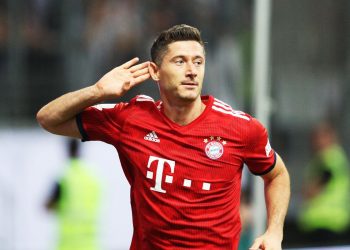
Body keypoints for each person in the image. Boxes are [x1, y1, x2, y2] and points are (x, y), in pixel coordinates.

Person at [37, 24, 290, 250]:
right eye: (180, 61)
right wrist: (98, 91)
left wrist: (274, 231)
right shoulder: (131, 119)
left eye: (198, 62)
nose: (192, 71)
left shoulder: (240, 128)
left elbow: (277, 174)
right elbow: (48, 118)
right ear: (155, 71)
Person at [298, 122, 350, 244]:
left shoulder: (330, 158)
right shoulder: (323, 159)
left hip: (328, 224)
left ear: (331, 137)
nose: (317, 141)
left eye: (321, 137)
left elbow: (313, 190)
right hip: (322, 224)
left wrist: (308, 191)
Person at [46, 139, 102, 250]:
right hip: (90, 245)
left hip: (68, 245)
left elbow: (48, 206)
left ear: (67, 150)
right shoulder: (93, 178)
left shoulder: (64, 177)